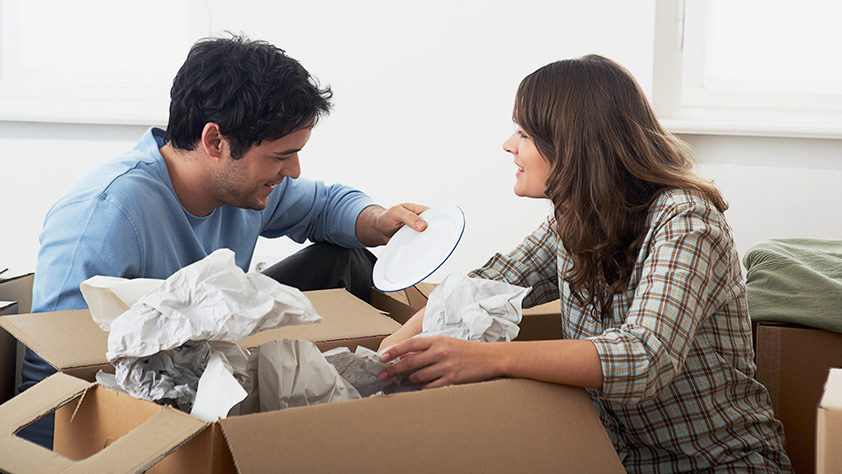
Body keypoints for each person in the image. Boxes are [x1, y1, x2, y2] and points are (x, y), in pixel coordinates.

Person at [378, 55, 793, 472]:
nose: (509, 144)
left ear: (571, 141)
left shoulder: (685, 220)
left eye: (524, 132)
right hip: (615, 458)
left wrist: (487, 358)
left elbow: (645, 356)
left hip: (717, 464)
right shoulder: (574, 218)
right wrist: (397, 347)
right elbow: (490, 282)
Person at [21, 35, 427, 448]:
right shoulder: (105, 215)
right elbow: (54, 373)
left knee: (346, 257)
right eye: (281, 155)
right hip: (137, 413)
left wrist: (377, 220)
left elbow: (323, 206)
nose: (295, 170)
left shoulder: (247, 188)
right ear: (215, 141)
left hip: (212, 364)